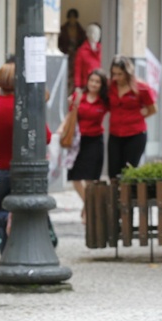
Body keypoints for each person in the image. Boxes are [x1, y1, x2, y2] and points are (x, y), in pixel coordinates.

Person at [0, 62, 53, 253]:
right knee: (24, 208)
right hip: (27, 173)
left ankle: (9, 221)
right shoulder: (29, 107)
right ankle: (13, 244)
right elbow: (46, 137)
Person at [62, 69, 109, 218]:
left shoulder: (104, 101)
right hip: (78, 142)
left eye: (97, 82)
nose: (94, 84)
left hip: (95, 141)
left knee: (90, 180)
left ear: (102, 85)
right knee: (75, 178)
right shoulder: (78, 96)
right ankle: (89, 206)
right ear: (87, 82)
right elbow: (70, 116)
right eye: (91, 80)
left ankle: (88, 211)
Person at [107, 55, 157, 179]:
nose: (116, 77)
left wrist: (138, 115)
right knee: (113, 172)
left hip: (135, 134)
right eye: (114, 74)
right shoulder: (110, 86)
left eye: (120, 74)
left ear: (128, 73)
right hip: (115, 134)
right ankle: (115, 198)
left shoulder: (141, 87)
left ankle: (127, 198)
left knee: (128, 172)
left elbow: (153, 109)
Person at [57, 8, 87, 93]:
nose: (72, 19)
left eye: (74, 17)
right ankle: (65, 90)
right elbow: (59, 42)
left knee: (76, 73)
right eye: (70, 17)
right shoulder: (63, 30)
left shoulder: (80, 30)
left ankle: (73, 90)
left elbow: (83, 42)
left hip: (77, 55)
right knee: (66, 73)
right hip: (66, 54)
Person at [73, 23, 102, 91]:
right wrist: (77, 86)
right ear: (88, 34)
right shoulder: (82, 51)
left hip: (101, 84)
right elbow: (78, 70)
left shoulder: (102, 49)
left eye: (98, 33)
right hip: (87, 85)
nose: (96, 36)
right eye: (94, 33)